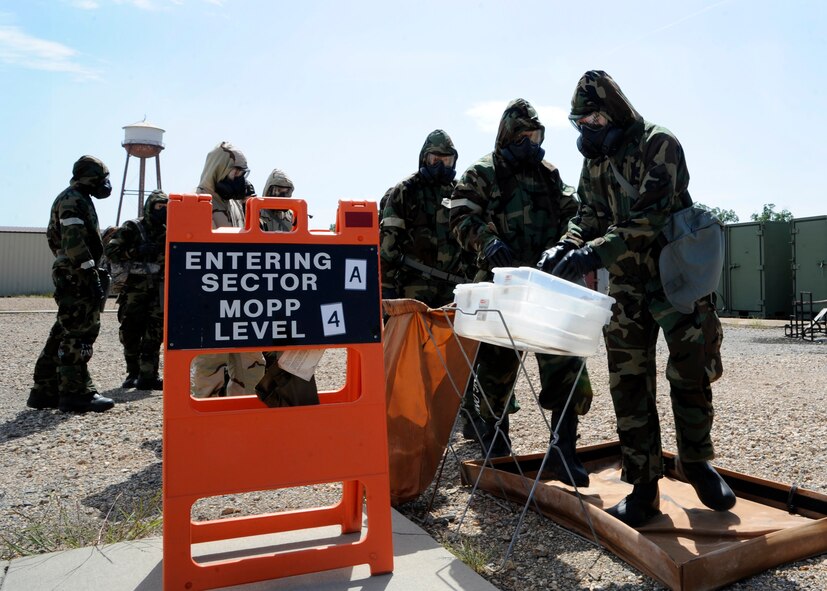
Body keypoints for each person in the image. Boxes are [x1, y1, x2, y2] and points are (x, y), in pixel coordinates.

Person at [546, 70, 734, 525]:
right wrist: (568, 244)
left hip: (675, 275)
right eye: (579, 121)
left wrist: (592, 252)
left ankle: (695, 462)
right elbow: (588, 214)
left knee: (691, 371)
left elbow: (649, 219)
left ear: (614, 112)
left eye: (592, 118)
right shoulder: (594, 161)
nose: (585, 129)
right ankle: (644, 486)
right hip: (628, 286)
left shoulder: (658, 144)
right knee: (629, 384)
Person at [450, 99, 593, 486]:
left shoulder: (548, 174)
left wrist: (566, 244)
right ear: (507, 137)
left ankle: (563, 450)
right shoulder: (482, 172)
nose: (532, 144)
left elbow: (576, 214)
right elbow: (460, 216)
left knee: (566, 364)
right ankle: (496, 446)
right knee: (495, 372)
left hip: (548, 286)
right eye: (524, 137)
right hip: (502, 286)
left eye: (537, 136)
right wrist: (487, 242)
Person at [27, 156, 116, 413]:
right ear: (91, 178)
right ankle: (76, 392)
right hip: (77, 273)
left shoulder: (76, 198)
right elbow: (74, 240)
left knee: (64, 329)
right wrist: (89, 274)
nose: (106, 185)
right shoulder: (73, 199)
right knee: (80, 331)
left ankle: (45, 390)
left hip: (73, 271)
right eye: (103, 179)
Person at [191, 142, 265, 398]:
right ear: (220, 168)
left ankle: (245, 417)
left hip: (242, 299)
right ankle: (208, 425)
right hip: (212, 300)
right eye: (236, 172)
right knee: (212, 365)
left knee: (252, 366)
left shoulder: (234, 205)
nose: (241, 178)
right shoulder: (198, 203)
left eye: (244, 173)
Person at [380, 129, 474, 307]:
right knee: (413, 335)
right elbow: (388, 243)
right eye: (435, 160)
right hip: (414, 286)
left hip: (453, 289)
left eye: (446, 161)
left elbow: (469, 236)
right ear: (424, 158)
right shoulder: (406, 190)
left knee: (450, 335)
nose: (440, 166)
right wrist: (386, 286)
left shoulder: (459, 192)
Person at [104, 190, 168, 391]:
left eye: (167, 207)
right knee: (131, 331)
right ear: (150, 207)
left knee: (154, 333)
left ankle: (149, 375)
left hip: (158, 289)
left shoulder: (170, 229)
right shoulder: (132, 227)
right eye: (159, 207)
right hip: (134, 290)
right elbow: (111, 251)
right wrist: (136, 251)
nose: (163, 211)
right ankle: (133, 373)